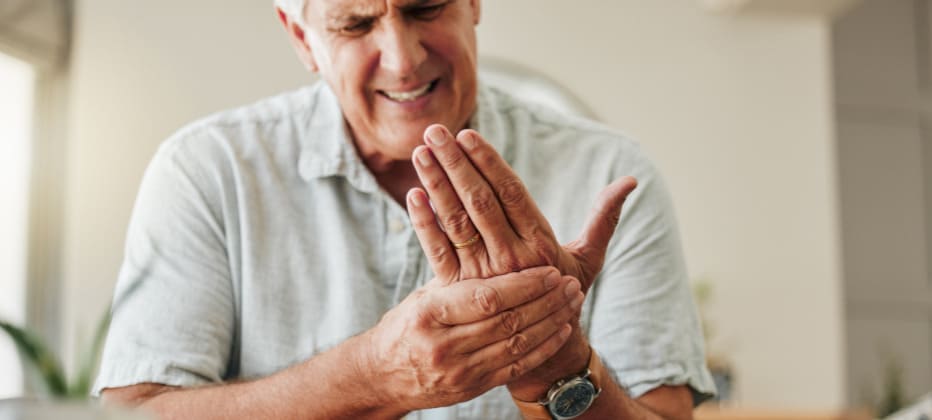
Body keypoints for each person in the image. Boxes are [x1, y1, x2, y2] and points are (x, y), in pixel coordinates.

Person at [93, 0, 715, 418]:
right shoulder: (208, 170)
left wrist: (559, 367)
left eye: (425, 6)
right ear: (301, 37)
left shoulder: (606, 173)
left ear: (473, 2)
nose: (404, 57)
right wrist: (374, 373)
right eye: (356, 24)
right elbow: (137, 413)